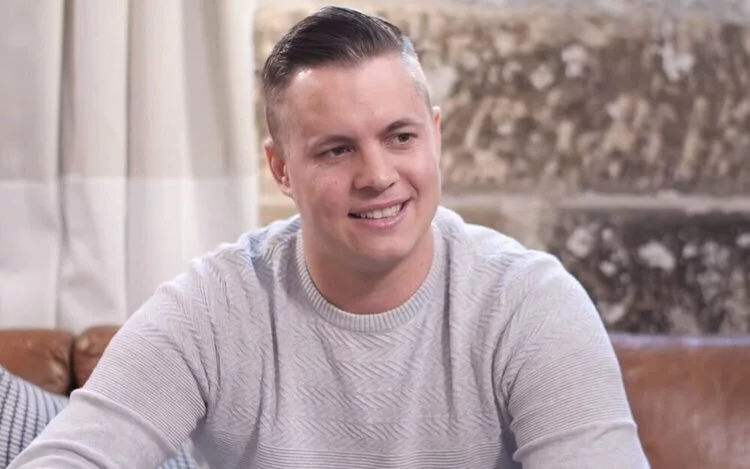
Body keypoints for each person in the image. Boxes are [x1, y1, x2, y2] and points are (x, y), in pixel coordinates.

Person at [10, 5, 650, 469]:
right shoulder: (213, 306)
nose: (378, 176)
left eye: (400, 137)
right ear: (281, 169)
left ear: (435, 136)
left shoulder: (529, 303)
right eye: (337, 150)